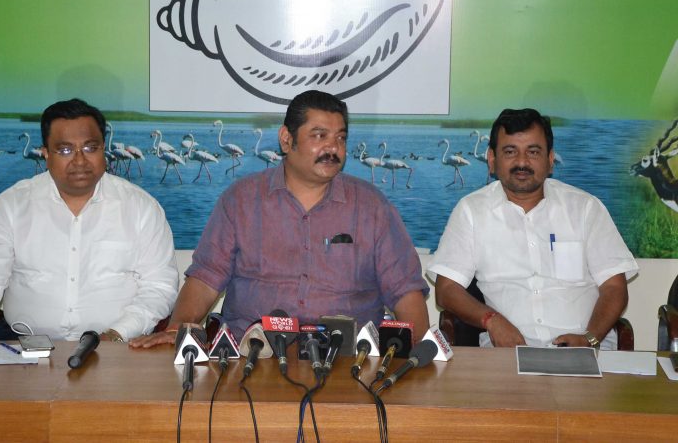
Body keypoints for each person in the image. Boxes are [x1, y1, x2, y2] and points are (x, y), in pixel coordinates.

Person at [131, 90, 430, 347]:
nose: (333, 148)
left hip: (349, 361)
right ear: (286, 140)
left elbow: (406, 291)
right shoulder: (242, 200)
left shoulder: (371, 206)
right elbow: (206, 280)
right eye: (319, 136)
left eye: (340, 138)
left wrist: (416, 351)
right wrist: (176, 329)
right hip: (252, 355)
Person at [0, 99, 178, 346]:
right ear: (46, 154)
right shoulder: (11, 205)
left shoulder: (141, 208)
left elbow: (159, 286)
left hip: (118, 348)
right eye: (66, 150)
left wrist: (118, 333)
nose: (80, 161)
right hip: (23, 347)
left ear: (104, 149)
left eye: (91, 148)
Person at [428, 108, 638, 349]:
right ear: (492, 159)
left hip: (585, 351)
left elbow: (614, 287)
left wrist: (590, 338)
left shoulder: (585, 208)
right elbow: (446, 290)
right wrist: (492, 321)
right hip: (506, 357)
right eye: (510, 152)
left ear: (550, 160)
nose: (522, 162)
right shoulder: (471, 211)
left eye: (533, 152)